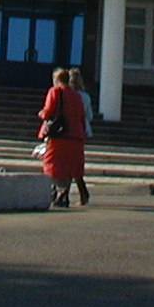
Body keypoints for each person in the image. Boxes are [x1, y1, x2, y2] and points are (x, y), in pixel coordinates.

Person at [37, 67, 86, 209]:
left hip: (59, 136)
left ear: (56, 79)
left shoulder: (55, 92)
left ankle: (56, 194)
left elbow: (48, 112)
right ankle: (64, 195)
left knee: (53, 166)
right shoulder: (77, 96)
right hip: (75, 136)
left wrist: (41, 113)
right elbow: (82, 116)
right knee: (70, 166)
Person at [68, 67, 93, 206]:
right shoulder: (85, 97)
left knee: (67, 162)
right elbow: (89, 115)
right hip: (82, 131)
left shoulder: (68, 95)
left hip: (70, 130)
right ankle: (83, 193)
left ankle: (64, 193)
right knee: (75, 162)